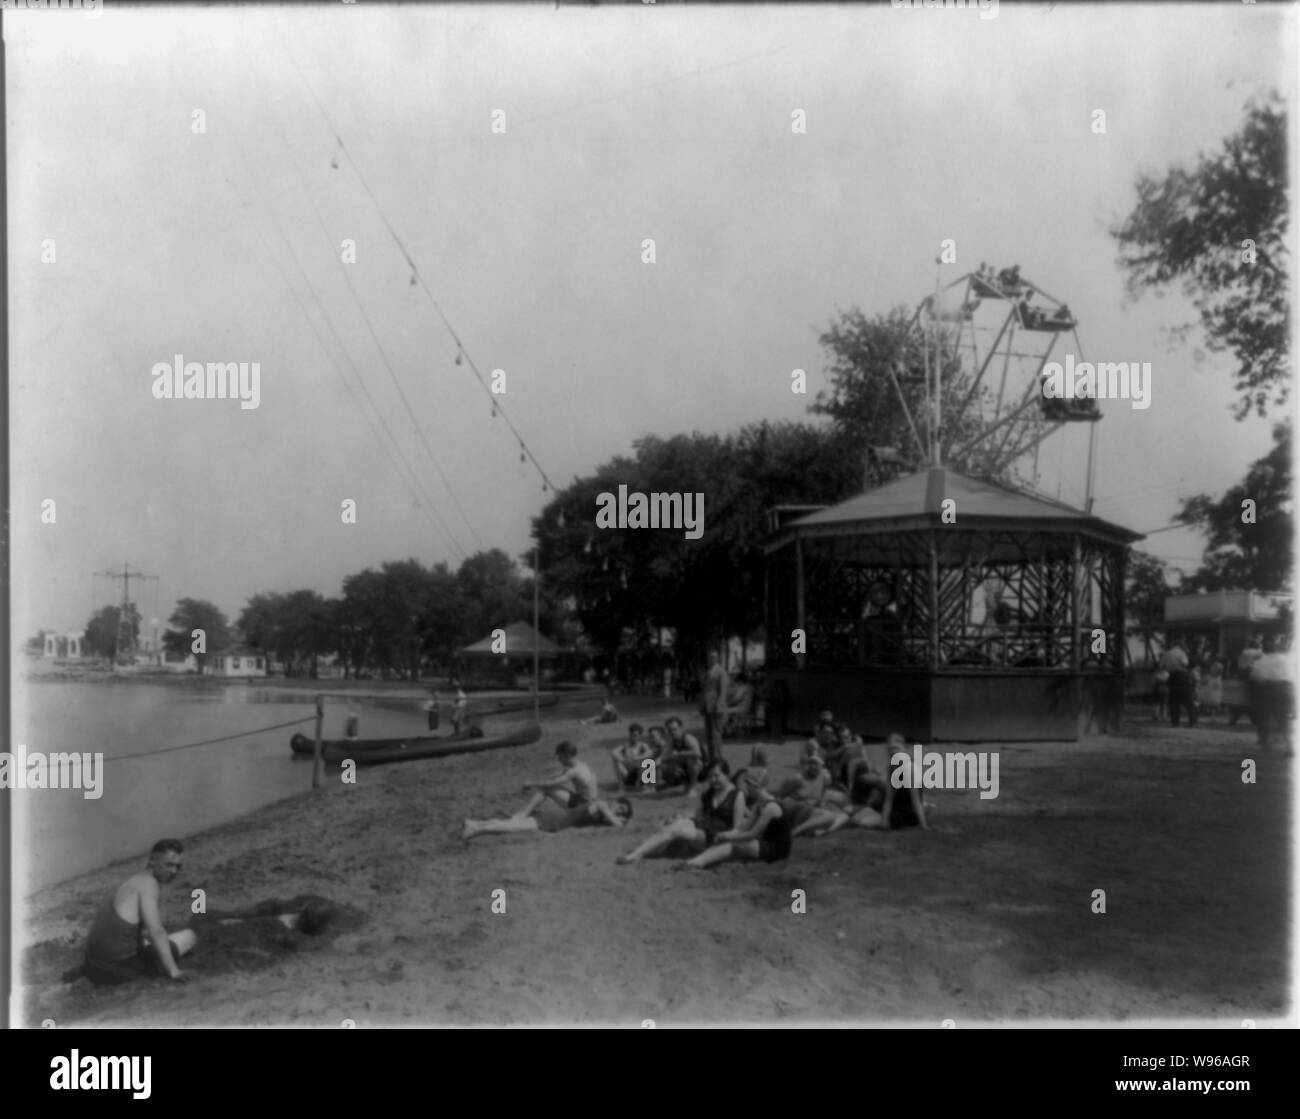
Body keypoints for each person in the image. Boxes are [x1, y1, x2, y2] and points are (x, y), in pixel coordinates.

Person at [82, 839, 196, 985]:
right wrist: (174, 971)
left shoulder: (133, 881)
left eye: (178, 867)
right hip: (118, 971)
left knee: (149, 941)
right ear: (153, 860)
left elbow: (142, 932)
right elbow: (156, 931)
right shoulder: (149, 884)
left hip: (93, 966)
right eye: (169, 865)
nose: (174, 871)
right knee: (189, 936)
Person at [617, 760, 745, 863]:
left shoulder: (736, 795)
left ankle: (639, 853)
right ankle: (637, 853)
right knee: (675, 823)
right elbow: (697, 815)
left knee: (679, 830)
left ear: (727, 775)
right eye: (710, 777)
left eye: (717, 776)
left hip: (717, 838)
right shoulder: (709, 793)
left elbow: (737, 829)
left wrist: (722, 837)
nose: (713, 780)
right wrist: (679, 817)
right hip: (704, 830)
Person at [685, 769, 791, 869]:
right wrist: (725, 835)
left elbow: (752, 834)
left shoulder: (771, 807)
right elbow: (742, 829)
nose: (746, 788)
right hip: (765, 843)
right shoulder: (759, 804)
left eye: (748, 785)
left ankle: (698, 862)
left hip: (776, 851)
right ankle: (697, 861)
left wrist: (729, 837)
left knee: (734, 842)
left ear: (755, 786)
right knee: (729, 839)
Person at [464, 797, 633, 839]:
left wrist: (619, 818)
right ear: (615, 802)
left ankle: (475, 823)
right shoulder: (602, 804)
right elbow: (616, 824)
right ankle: (476, 830)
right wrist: (622, 820)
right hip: (552, 821)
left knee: (510, 824)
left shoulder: (602, 811)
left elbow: (611, 820)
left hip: (554, 819)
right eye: (620, 807)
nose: (618, 811)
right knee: (509, 827)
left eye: (621, 811)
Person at [513, 740, 599, 818]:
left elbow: (550, 784)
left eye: (560, 757)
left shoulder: (574, 771)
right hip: (588, 802)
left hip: (584, 806)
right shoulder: (582, 765)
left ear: (567, 755)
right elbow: (555, 777)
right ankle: (527, 811)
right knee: (548, 787)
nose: (559, 760)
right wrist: (539, 781)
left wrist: (531, 784)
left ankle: (524, 813)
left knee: (547, 788)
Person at [1248, 637, 1294, 750]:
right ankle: (1291, 744)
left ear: (1263, 648)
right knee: (1283, 718)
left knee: (1264, 717)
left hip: (1267, 689)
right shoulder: (1285, 659)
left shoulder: (1260, 661)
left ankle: (1265, 743)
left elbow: (1254, 676)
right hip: (1284, 688)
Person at [657, 716, 704, 791]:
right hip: (685, 766)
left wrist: (680, 753)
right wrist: (659, 760)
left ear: (681, 728)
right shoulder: (673, 741)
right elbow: (666, 753)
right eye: (669, 730)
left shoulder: (688, 738)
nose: (672, 732)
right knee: (662, 765)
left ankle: (693, 786)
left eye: (674, 729)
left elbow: (698, 753)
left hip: (700, 767)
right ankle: (675, 782)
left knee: (691, 761)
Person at [699, 651, 729, 765]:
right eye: (710, 657)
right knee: (709, 735)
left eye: (714, 657)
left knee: (716, 735)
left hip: (716, 708)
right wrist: (702, 706)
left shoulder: (721, 672)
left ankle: (718, 760)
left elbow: (723, 691)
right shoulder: (708, 672)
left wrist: (719, 705)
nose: (711, 659)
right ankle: (712, 759)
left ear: (718, 658)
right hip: (707, 707)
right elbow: (704, 691)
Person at [1159, 640, 1196, 728]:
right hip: (1182, 676)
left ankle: (1175, 722)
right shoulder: (1181, 653)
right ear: (1180, 646)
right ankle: (1192, 721)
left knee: (1173, 700)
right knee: (1188, 700)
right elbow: (1185, 663)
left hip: (1172, 676)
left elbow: (1161, 666)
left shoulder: (1167, 654)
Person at [610, 723, 655, 790]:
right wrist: (624, 760)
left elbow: (649, 753)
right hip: (629, 773)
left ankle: (642, 786)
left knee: (649, 761)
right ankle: (621, 785)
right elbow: (613, 752)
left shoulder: (642, 745)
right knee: (616, 761)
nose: (632, 737)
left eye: (635, 735)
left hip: (640, 773)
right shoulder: (625, 745)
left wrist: (635, 758)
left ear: (639, 736)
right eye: (631, 735)